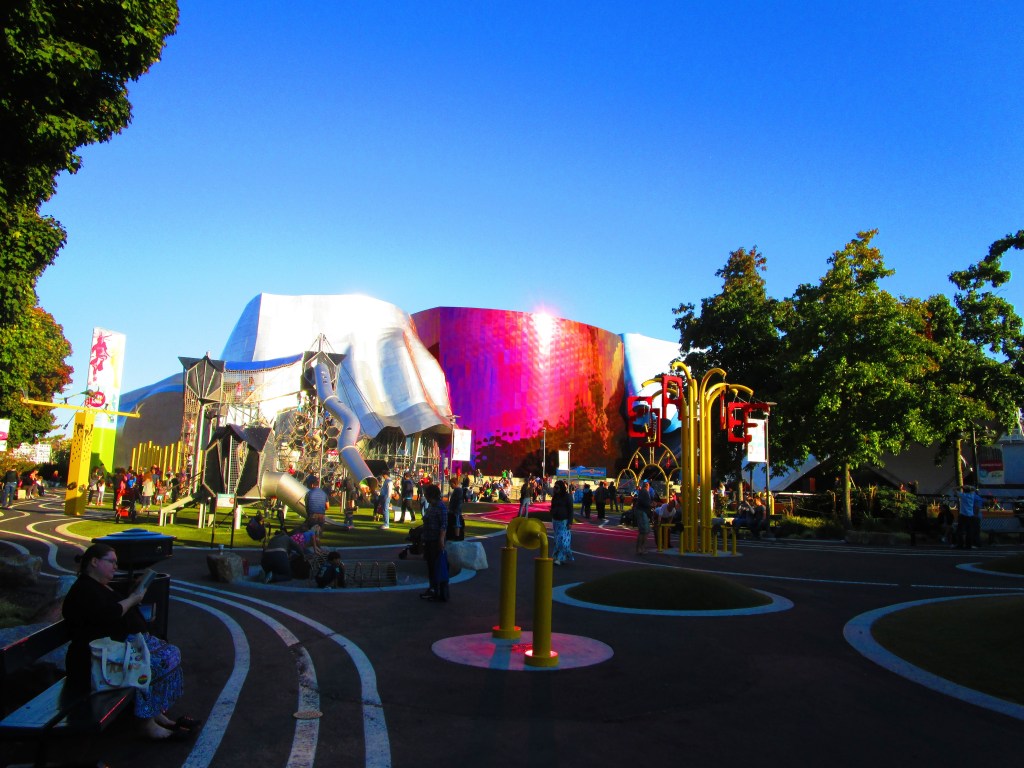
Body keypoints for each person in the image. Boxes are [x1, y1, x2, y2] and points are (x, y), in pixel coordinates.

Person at [62, 543, 195, 741]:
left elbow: (114, 611)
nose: (116, 566)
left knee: (167, 653)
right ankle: (146, 724)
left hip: (113, 653)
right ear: (94, 562)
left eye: (116, 562)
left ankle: (154, 712)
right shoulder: (83, 589)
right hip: (95, 660)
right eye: (111, 562)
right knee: (156, 662)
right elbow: (110, 614)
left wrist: (134, 593)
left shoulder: (99, 586)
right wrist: (133, 599)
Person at [419, 483, 448, 601]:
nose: (425, 496)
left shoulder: (440, 507)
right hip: (429, 539)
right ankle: (433, 588)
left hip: (435, 541)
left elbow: (443, 524)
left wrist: (441, 540)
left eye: (426, 494)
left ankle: (438, 591)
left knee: (436, 566)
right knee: (431, 566)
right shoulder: (431, 506)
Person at [550, 479, 574, 565]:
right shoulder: (555, 497)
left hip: (564, 521)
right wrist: (552, 513)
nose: (555, 489)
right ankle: (557, 557)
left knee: (562, 540)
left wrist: (570, 522)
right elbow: (552, 506)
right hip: (556, 521)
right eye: (554, 487)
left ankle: (559, 557)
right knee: (557, 540)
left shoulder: (567, 497)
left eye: (557, 487)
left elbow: (571, 510)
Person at [635, 480, 653, 555]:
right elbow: (644, 502)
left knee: (646, 531)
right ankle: (640, 548)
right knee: (644, 531)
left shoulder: (643, 492)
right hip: (642, 512)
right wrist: (651, 505)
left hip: (642, 512)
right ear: (648, 486)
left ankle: (641, 548)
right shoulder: (644, 492)